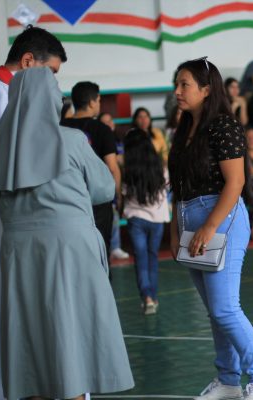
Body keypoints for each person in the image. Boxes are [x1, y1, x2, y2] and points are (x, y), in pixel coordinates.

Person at [0, 66, 134, 400]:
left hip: (19, 253)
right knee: (72, 337)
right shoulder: (72, 140)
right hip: (68, 250)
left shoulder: (0, 148)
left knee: (29, 340)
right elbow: (104, 189)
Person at [168, 57, 253, 400]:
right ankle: (229, 381)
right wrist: (175, 229)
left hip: (221, 218)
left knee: (225, 308)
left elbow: (235, 182)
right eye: (176, 84)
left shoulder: (223, 126)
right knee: (216, 311)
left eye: (184, 84)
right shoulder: (184, 128)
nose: (177, 91)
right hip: (190, 219)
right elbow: (179, 185)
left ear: (206, 89)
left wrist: (209, 226)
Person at [0, 25, 66, 400]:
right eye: (51, 72)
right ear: (28, 62)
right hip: (7, 224)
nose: (54, 83)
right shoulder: (5, 97)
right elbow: (21, 168)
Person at [62, 81, 122, 268]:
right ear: (91, 102)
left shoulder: (60, 127)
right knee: (100, 257)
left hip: (67, 200)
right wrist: (117, 197)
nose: (99, 104)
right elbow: (112, 167)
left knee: (73, 259)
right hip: (98, 202)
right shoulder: (102, 129)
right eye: (99, 100)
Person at [123, 128, 169, 315]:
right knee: (152, 257)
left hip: (136, 219)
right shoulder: (160, 167)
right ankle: (153, 297)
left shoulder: (128, 169)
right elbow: (166, 189)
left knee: (141, 259)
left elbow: (124, 192)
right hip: (157, 219)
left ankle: (147, 297)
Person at [99, 111, 130, 261]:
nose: (109, 124)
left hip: (124, 183)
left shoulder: (119, 141)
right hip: (107, 186)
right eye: (105, 122)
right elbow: (113, 164)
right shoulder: (99, 142)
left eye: (110, 120)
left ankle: (115, 247)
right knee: (112, 215)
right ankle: (114, 247)